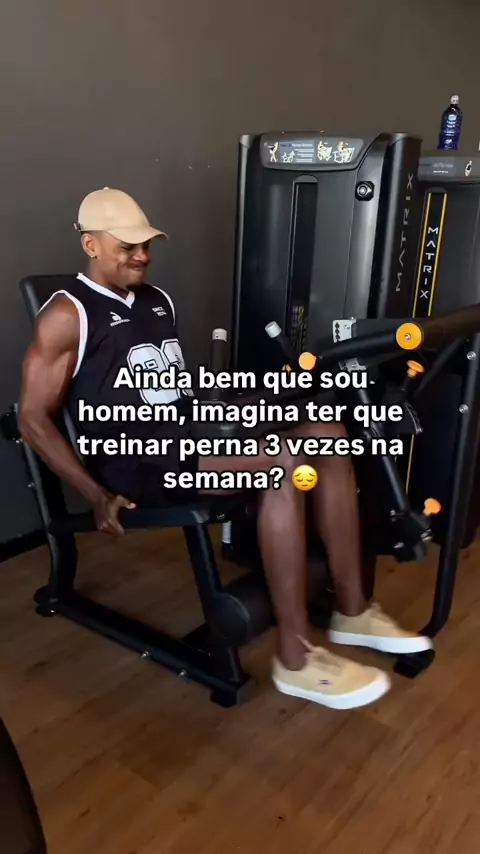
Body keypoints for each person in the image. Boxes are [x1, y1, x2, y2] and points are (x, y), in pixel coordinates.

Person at [18, 188, 432, 712]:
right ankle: (296, 660)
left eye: (146, 245)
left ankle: (352, 611)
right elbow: (32, 418)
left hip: (187, 439)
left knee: (328, 436)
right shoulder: (66, 315)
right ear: (91, 245)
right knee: (281, 467)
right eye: (127, 246)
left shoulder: (156, 300)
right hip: (136, 464)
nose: (142, 255)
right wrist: (95, 495)